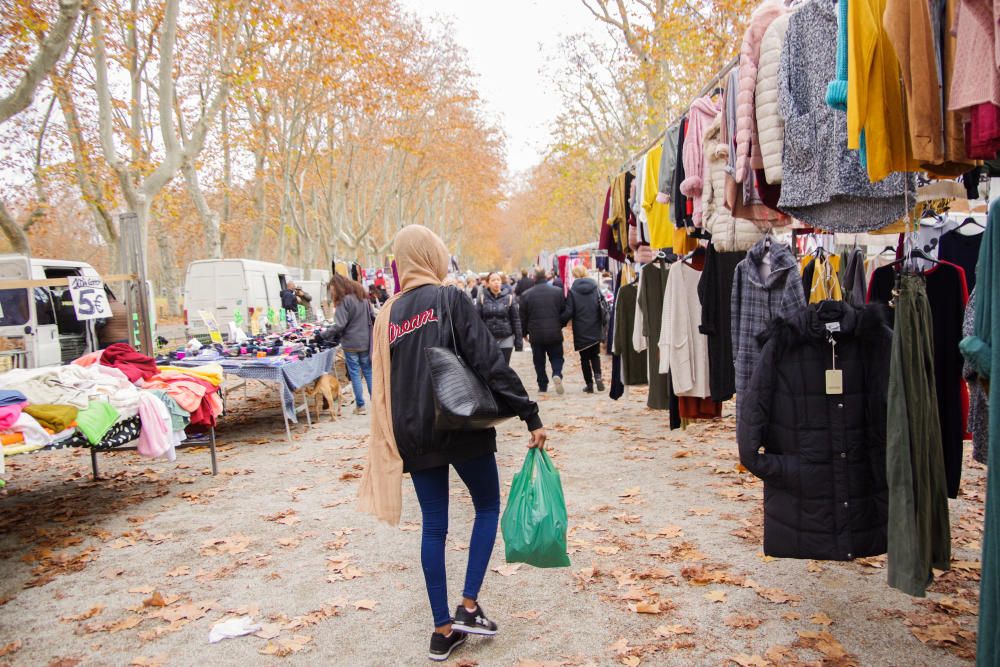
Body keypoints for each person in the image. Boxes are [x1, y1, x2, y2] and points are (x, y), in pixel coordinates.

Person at [364, 224, 546, 662]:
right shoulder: (450, 298)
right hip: (460, 423)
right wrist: (528, 411)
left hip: (412, 431)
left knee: (434, 525)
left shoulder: (387, 314)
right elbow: (487, 360)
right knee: (486, 506)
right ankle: (468, 605)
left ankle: (442, 631)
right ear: (433, 255)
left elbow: (383, 384)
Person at [319, 275, 373, 415]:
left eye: (332, 290)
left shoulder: (344, 301)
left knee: (355, 374)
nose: (332, 293)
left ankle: (361, 406)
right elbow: (372, 315)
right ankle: (377, 404)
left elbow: (340, 324)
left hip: (351, 342)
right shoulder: (362, 296)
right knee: (368, 372)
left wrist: (323, 335)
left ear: (337, 287)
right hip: (366, 341)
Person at [561, 265, 607, 393]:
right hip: (595, 326)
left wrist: (560, 322)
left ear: (575, 275)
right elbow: (603, 304)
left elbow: (569, 311)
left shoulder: (573, 291)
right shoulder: (595, 287)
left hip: (581, 329)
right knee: (595, 355)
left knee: (584, 358)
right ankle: (598, 376)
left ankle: (589, 385)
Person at [520, 268, 566, 394]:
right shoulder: (558, 292)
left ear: (534, 278)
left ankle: (542, 384)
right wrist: (560, 324)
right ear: (546, 277)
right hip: (554, 332)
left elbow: (523, 317)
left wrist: (524, 333)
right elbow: (564, 311)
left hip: (536, 334)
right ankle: (557, 373)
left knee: (539, 361)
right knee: (557, 357)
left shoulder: (526, 295)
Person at [476, 271, 523, 364]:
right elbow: (477, 321)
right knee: (492, 367)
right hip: (488, 340)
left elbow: (516, 321)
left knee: (504, 367)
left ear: (501, 282)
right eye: (493, 280)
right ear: (488, 283)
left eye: (498, 280)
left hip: (506, 338)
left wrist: (518, 342)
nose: (496, 282)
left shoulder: (509, 298)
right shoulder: (482, 298)